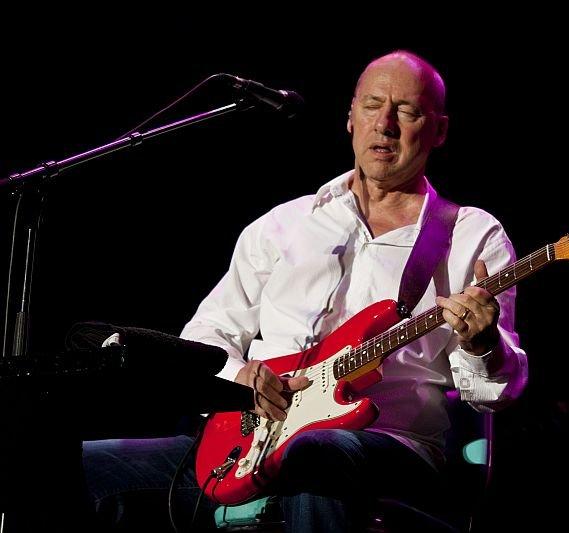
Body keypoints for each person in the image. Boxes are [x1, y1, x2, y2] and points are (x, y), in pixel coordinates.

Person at [82, 50, 527, 532]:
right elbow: (206, 337)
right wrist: (242, 378)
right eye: (372, 106)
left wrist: (483, 344)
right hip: (249, 439)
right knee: (76, 464)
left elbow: (494, 395)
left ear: (438, 130)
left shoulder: (470, 236)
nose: (385, 124)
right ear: (350, 118)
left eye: (407, 111)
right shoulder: (284, 224)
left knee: (315, 451)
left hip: (388, 445)